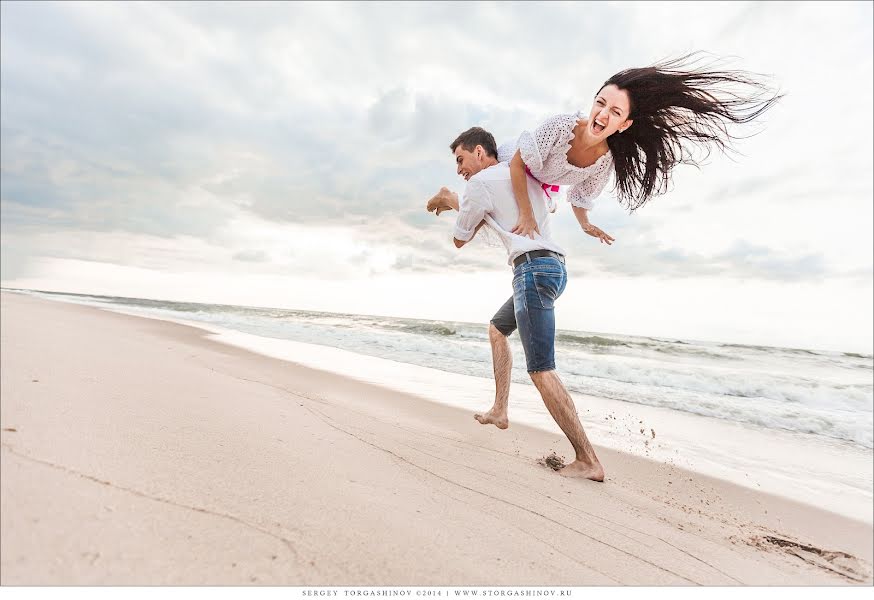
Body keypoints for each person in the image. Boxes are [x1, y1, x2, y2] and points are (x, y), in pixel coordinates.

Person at [436, 53, 783, 243]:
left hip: (540, 183)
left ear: (625, 124)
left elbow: (581, 198)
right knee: (483, 205)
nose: (602, 113)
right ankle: (450, 197)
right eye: (600, 103)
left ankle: (451, 198)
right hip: (515, 162)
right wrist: (526, 215)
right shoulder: (561, 126)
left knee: (490, 220)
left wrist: (586, 225)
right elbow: (515, 166)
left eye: (615, 111)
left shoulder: (603, 163)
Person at [426, 126, 605, 482]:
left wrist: (450, 200)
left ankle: (588, 459)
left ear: (480, 152)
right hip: (553, 268)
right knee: (497, 329)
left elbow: (461, 238)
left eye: (460, 160)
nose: (460, 169)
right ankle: (500, 409)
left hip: (532, 271)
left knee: (540, 368)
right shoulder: (522, 175)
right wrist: (458, 202)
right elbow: (503, 214)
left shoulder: (479, 184)